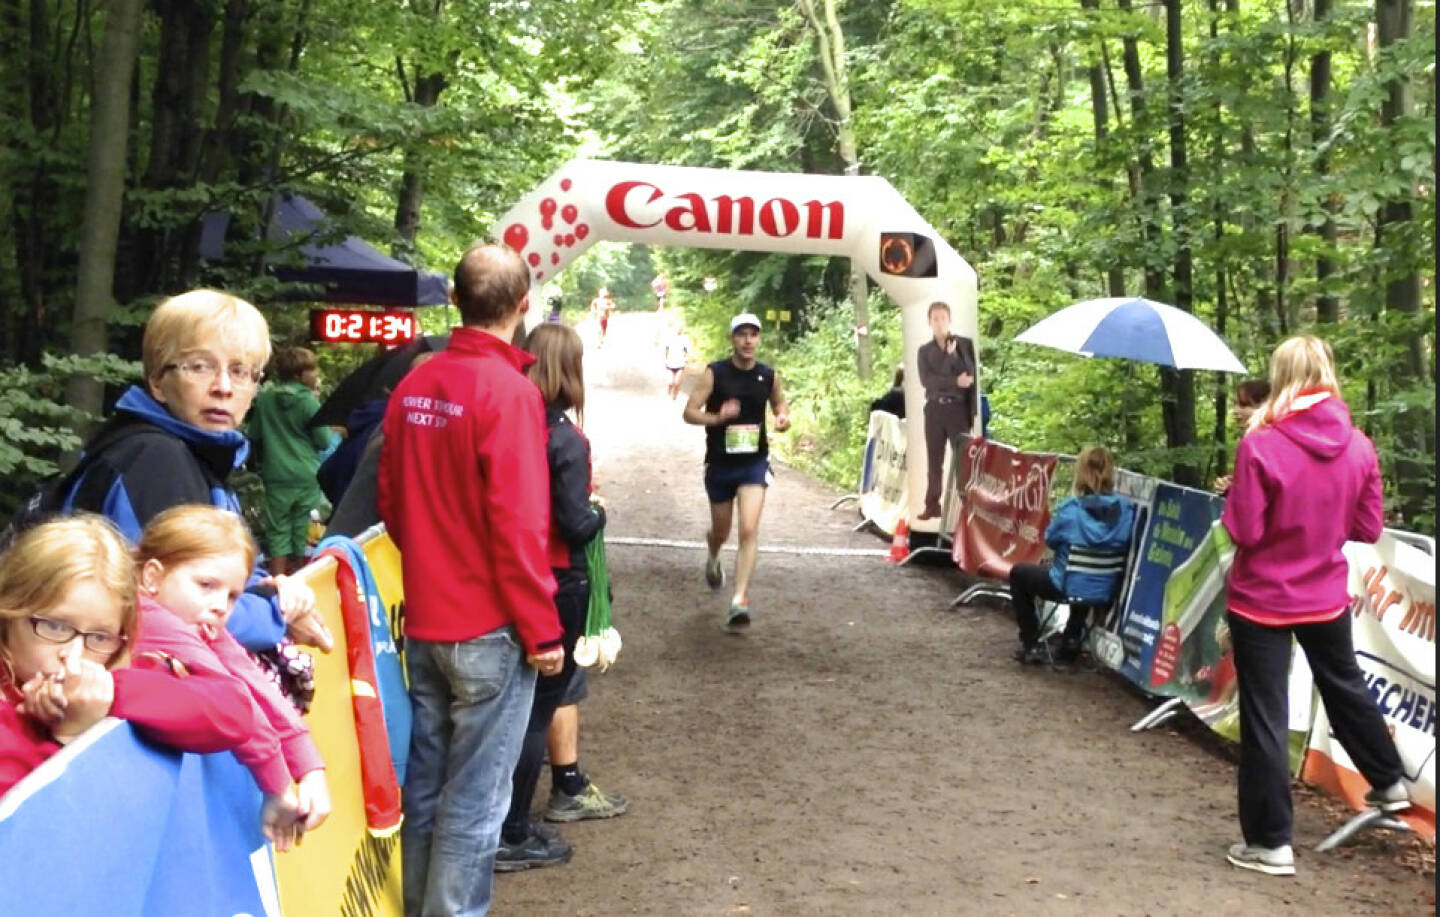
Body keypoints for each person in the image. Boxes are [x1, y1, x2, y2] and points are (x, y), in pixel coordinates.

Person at [378, 242, 565, 917]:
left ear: (454, 299)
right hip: (490, 629)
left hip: (425, 621)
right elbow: (519, 527)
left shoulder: (414, 383)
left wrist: (434, 561)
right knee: (476, 799)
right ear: (524, 305)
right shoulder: (511, 393)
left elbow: (392, 503)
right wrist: (543, 630)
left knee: (426, 785)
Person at [1220, 335, 1408, 877]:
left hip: (1261, 600)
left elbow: (1246, 530)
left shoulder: (1261, 444)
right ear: (1327, 374)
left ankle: (1272, 843)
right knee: (1344, 683)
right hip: (1325, 594)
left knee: (1266, 717)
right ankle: (1388, 779)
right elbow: (1368, 527)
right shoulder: (1360, 446)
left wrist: (1241, 498)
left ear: (1280, 377)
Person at [57, 289, 329, 656]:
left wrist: (270, 587)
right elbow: (181, 611)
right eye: (200, 366)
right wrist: (279, 615)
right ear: (158, 382)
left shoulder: (197, 455)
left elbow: (214, 576)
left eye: (241, 371)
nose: (223, 387)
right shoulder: (154, 461)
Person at [0, 515, 262, 814]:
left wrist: (110, 694)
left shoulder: (113, 671)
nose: (73, 657)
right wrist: (73, 739)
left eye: (99, 636)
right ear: (10, 614)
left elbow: (233, 714)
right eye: (55, 627)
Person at [496, 323, 626, 870]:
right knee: (537, 709)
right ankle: (515, 829)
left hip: (516, 576)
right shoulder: (567, 439)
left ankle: (507, 821)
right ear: (568, 371)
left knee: (516, 704)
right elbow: (574, 524)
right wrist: (597, 512)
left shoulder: (514, 429)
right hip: (560, 580)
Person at [135, 505, 331, 847]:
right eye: (206, 585)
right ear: (151, 577)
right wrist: (278, 785)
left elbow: (252, 681)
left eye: (232, 595)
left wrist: (309, 767)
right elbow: (233, 700)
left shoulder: (199, 622)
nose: (220, 605)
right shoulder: (146, 615)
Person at [683, 313, 791, 632]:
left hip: (753, 463)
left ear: (759, 339)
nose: (747, 340)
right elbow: (689, 412)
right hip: (720, 463)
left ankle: (739, 599)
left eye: (753, 334)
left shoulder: (768, 375)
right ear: (732, 339)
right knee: (723, 530)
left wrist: (783, 419)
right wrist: (717, 418)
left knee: (748, 530)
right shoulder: (715, 373)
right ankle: (714, 554)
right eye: (741, 334)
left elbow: (780, 405)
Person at [1008, 446, 1135, 666]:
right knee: (1084, 577)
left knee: (1019, 573)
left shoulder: (1071, 510)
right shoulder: (1125, 510)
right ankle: (1070, 641)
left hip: (1067, 586)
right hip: (1105, 590)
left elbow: (1050, 539)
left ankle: (1031, 644)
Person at [247, 346, 334, 575]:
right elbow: (324, 440)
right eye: (312, 371)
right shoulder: (309, 403)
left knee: (277, 531)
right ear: (298, 374)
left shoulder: (265, 400)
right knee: (302, 529)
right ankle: (301, 577)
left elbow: (254, 434)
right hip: (306, 474)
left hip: (275, 474)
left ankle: (277, 580)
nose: (316, 376)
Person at [915, 301, 977, 519]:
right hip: (934, 409)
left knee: (962, 458)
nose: (939, 323)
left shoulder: (963, 345)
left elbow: (968, 377)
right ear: (929, 322)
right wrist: (951, 374)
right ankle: (932, 504)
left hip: (957, 410)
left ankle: (968, 504)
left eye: (943, 318)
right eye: (935, 319)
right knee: (934, 460)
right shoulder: (924, 351)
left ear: (949, 320)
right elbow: (928, 381)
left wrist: (952, 357)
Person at [1212, 378, 1271, 496]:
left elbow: (1264, 493)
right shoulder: (1248, 441)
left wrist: (1234, 489)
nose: (1236, 410)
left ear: (1264, 407)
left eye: (1244, 405)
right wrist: (1231, 485)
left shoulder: (1265, 444)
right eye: (1236, 404)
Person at [663, 323, 691, 401]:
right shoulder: (669, 338)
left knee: (677, 382)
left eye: (679, 328)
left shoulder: (685, 338)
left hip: (680, 363)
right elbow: (666, 349)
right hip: (670, 362)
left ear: (681, 330)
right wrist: (665, 358)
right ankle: (669, 389)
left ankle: (675, 396)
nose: (678, 330)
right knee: (670, 382)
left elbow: (687, 350)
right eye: (676, 328)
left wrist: (687, 358)